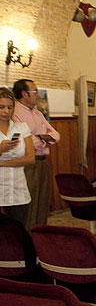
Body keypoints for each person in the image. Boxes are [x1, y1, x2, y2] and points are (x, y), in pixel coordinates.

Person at [12, 79, 60, 229]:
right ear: (24, 94)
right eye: (34, 92)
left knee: (42, 202)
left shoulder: (38, 114)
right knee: (29, 204)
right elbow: (23, 140)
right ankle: (26, 240)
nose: (38, 95)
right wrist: (42, 138)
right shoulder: (15, 113)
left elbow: (56, 135)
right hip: (27, 164)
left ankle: (40, 238)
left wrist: (39, 138)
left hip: (42, 162)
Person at [0, 87, 35, 228]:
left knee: (19, 234)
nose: (6, 111)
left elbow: (30, 158)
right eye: (1, 107)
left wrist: (2, 163)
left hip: (18, 190)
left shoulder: (21, 128)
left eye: (9, 107)